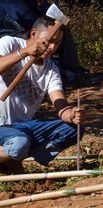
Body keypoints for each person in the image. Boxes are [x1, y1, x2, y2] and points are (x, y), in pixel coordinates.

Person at [0, 16, 85, 173]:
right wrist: (25, 52)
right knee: (19, 143)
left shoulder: (51, 69)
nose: (51, 47)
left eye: (57, 43)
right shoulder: (9, 43)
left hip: (23, 127)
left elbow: (59, 103)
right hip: (2, 127)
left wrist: (71, 114)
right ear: (33, 34)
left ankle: (14, 157)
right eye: (48, 41)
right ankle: (12, 158)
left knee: (73, 129)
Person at [0, 0, 95, 87]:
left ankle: (68, 72)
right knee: (57, 30)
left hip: (26, 32)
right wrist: (56, 23)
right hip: (9, 36)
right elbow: (38, 23)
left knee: (59, 29)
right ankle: (72, 74)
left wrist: (42, 1)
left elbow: (61, 20)